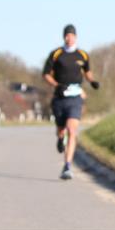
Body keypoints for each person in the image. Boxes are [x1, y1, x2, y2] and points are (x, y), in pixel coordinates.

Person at [42, 24, 99, 179]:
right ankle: (60, 138)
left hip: (75, 97)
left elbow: (88, 73)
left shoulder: (83, 55)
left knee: (72, 130)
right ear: (64, 37)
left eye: (72, 35)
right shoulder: (56, 54)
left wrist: (93, 81)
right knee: (61, 129)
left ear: (76, 37)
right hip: (60, 98)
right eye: (67, 35)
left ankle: (67, 166)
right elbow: (46, 74)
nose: (69, 38)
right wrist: (56, 85)